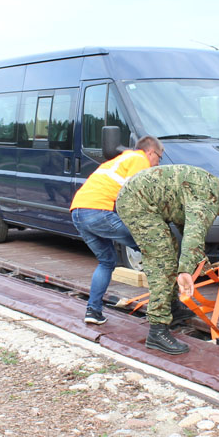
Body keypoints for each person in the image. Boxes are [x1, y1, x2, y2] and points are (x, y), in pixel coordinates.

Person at [115, 165, 219, 355]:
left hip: (143, 199)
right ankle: (157, 330)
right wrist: (185, 270)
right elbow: (194, 234)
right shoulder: (208, 199)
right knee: (162, 262)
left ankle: (172, 309)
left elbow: (185, 224)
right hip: (138, 203)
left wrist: (197, 258)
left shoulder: (212, 186)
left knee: (171, 251)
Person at [69, 136, 164, 324]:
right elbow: (135, 196)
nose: (157, 163)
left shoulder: (121, 159)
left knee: (107, 261)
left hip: (78, 211)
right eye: (159, 158)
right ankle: (168, 306)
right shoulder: (139, 160)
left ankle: (93, 311)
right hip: (97, 211)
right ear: (151, 152)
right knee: (152, 247)